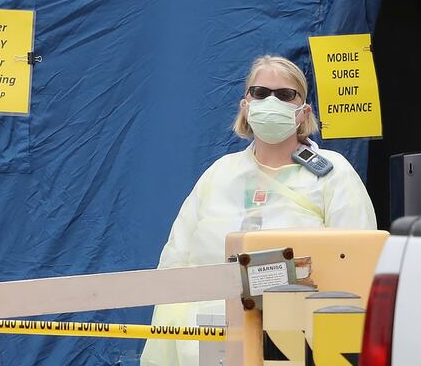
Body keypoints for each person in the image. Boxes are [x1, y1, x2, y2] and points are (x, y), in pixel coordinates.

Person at [141, 55, 377, 366]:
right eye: (260, 93)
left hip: (298, 340)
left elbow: (360, 265)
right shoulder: (219, 174)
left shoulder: (334, 174)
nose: (271, 100)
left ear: (302, 111)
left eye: (285, 94)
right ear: (245, 105)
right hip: (208, 342)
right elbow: (176, 261)